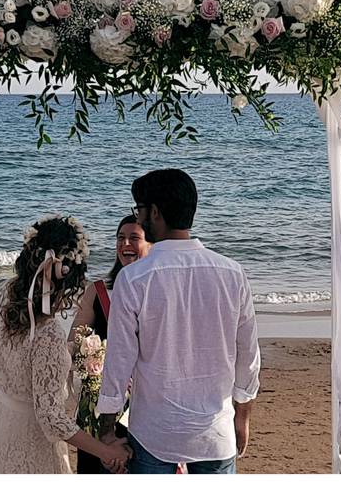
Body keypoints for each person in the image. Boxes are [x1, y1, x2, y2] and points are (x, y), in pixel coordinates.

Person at [95, 169, 261, 474]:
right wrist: (242, 415)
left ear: (155, 212)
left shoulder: (134, 278)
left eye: (140, 211)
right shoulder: (231, 273)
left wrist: (107, 425)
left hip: (154, 432)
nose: (139, 218)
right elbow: (248, 355)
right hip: (215, 431)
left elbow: (119, 359)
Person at [0, 214, 132, 474]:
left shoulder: (1, 291)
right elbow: (51, 419)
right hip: (28, 435)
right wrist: (107, 451)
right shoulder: (49, 333)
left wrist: (9, 373)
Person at [68, 215, 152, 474]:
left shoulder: (158, 289)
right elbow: (72, 343)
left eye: (134, 238)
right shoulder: (98, 291)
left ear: (151, 244)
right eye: (120, 238)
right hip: (99, 401)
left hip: (146, 404)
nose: (125, 243)